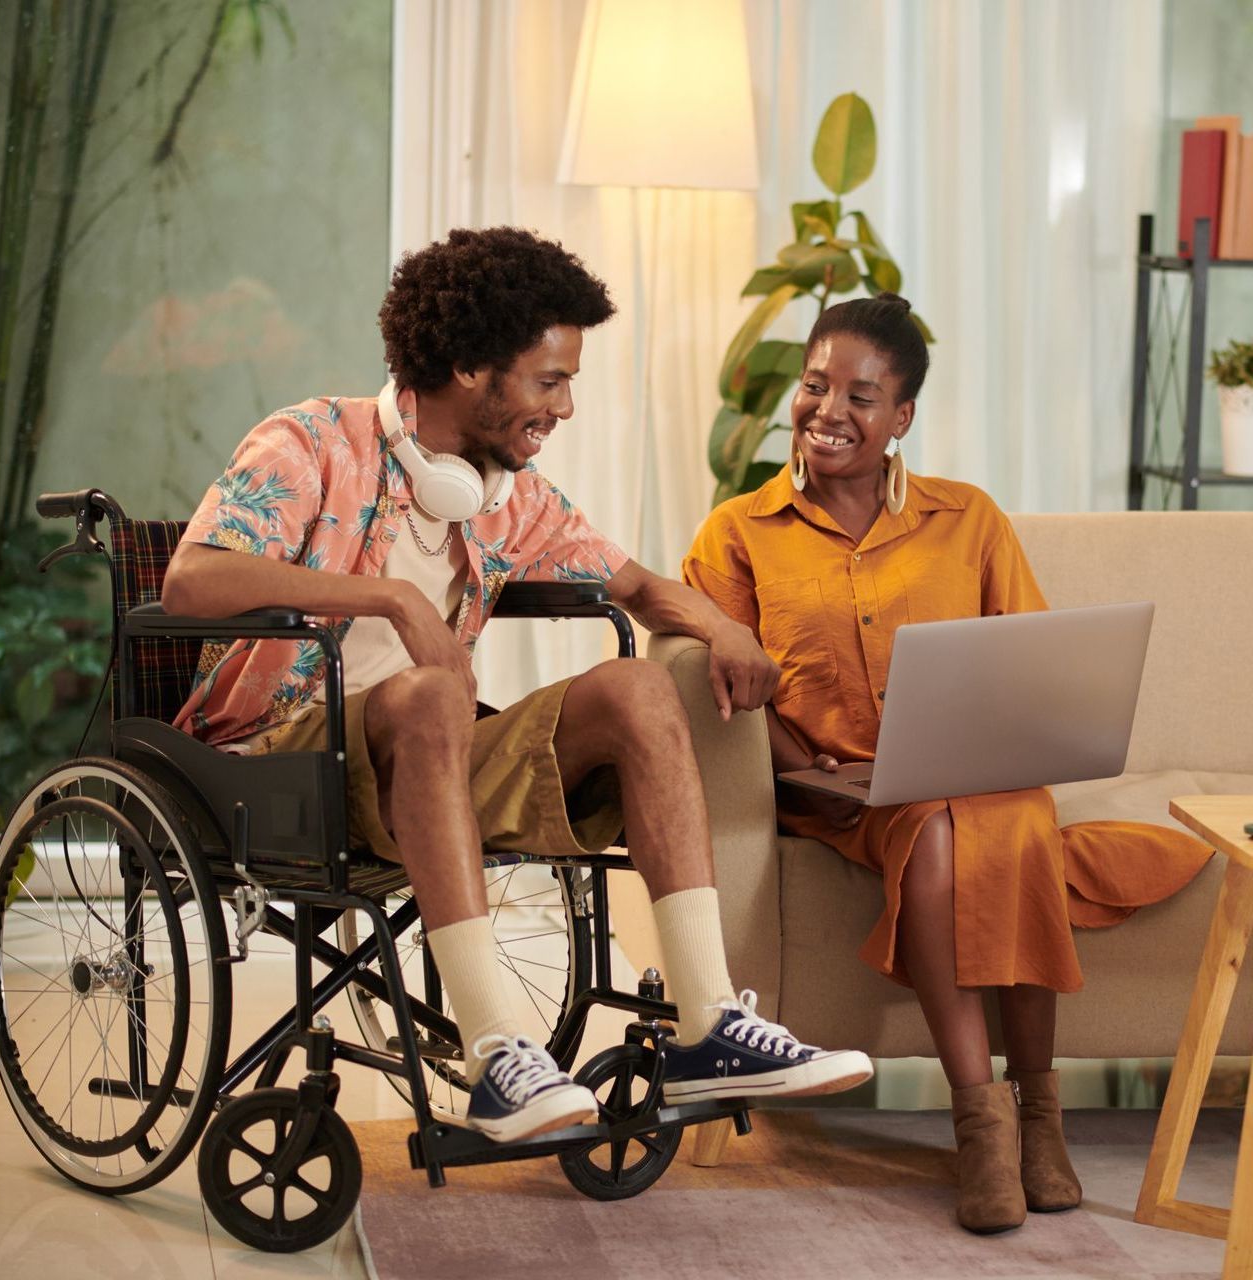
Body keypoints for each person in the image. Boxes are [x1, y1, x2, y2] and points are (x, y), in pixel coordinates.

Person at [162, 226, 873, 1146]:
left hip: (428, 766)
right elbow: (194, 580)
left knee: (637, 689)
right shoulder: (310, 442)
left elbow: (642, 588)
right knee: (427, 694)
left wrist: (724, 628)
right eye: (550, 380)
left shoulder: (507, 495)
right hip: (277, 763)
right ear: (467, 365)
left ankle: (708, 1030)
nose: (566, 407)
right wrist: (388, 599)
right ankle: (497, 1051)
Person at [682, 293, 1212, 1233]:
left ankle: (1037, 1109)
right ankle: (985, 1122)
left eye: (861, 394)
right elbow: (730, 680)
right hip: (842, 790)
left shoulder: (967, 519)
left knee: (1005, 824)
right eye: (815, 385)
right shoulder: (737, 532)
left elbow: (1033, 664)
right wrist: (805, 760)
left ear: (902, 419)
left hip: (978, 775)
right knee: (935, 832)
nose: (827, 411)